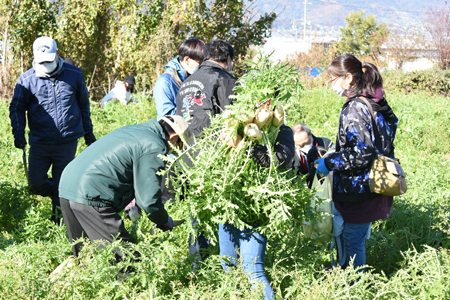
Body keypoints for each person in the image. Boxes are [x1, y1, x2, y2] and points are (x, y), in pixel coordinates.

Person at [58, 115, 193, 262]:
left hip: (67, 185)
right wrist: (164, 220)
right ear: (173, 137)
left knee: (86, 258)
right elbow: (149, 201)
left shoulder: (137, 130)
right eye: (178, 147)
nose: (172, 154)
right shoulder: (154, 145)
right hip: (92, 193)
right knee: (127, 261)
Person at [315, 53, 398, 272]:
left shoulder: (355, 107)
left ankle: (354, 286)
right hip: (374, 184)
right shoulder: (376, 102)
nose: (331, 84)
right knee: (355, 240)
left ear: (349, 78)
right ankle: (347, 280)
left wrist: (329, 161)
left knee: (351, 242)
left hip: (357, 189)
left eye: (333, 79)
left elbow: (360, 153)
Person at [9, 36, 96, 223]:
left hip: (67, 141)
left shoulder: (74, 74)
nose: (46, 64)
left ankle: (58, 221)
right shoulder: (26, 80)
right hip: (40, 142)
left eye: (49, 60)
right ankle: (56, 194)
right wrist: (18, 132)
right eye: (42, 62)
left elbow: (83, 105)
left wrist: (88, 133)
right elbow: (16, 108)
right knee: (36, 184)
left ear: (57, 54)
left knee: (61, 185)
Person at [220, 102, 295, 300]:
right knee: (228, 265)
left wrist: (254, 148)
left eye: (268, 102)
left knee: (252, 269)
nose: (263, 105)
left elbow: (281, 159)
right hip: (229, 204)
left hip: (256, 206)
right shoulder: (235, 125)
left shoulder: (282, 131)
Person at [175, 39, 236, 266]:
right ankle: (228, 266)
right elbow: (234, 122)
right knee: (224, 212)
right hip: (215, 158)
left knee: (198, 212)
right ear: (228, 60)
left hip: (189, 156)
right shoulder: (226, 80)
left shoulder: (187, 82)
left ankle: (196, 265)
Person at [153, 37, 206, 120]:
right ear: (187, 60)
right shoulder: (165, 82)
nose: (202, 68)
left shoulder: (193, 77)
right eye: (199, 63)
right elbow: (166, 118)